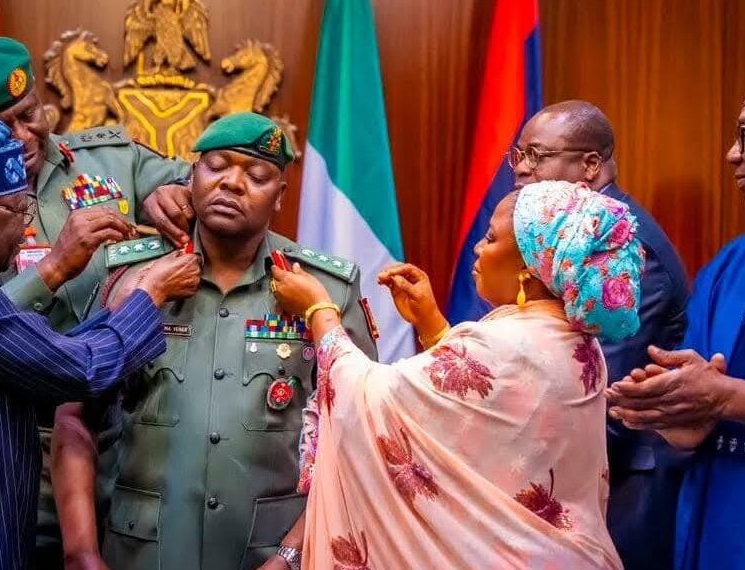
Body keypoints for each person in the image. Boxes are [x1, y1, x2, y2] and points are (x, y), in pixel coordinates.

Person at [0, 36, 192, 563]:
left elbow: (209, 187)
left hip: (126, 446)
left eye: (29, 115)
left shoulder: (109, 158)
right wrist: (52, 270)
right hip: (11, 447)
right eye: (1, 128)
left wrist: (177, 192)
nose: (24, 137)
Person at [52, 113, 379, 570]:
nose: (232, 183)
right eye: (217, 166)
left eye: (257, 176)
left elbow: (358, 441)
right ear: (192, 176)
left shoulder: (324, 291)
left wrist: (291, 555)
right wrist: (81, 551)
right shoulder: (131, 277)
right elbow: (74, 418)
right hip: (141, 553)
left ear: (280, 196)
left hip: (269, 554)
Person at [268, 180, 641, 569]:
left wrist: (318, 310)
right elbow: (487, 420)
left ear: (528, 269)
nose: (478, 248)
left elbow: (368, 399)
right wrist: (432, 325)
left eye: (491, 238)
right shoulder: (578, 343)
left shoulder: (510, 345)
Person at [607, 55, 745, 569]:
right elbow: (701, 389)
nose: (733, 155)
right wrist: (678, 420)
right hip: (716, 531)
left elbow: (725, 392)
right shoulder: (731, 265)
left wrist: (725, 397)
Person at [510, 100, 689, 569]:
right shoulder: (568, 235)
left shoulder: (626, 249)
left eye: (537, 155)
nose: (522, 169)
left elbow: (600, 390)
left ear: (590, 165)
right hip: (573, 472)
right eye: (519, 155)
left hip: (626, 484)